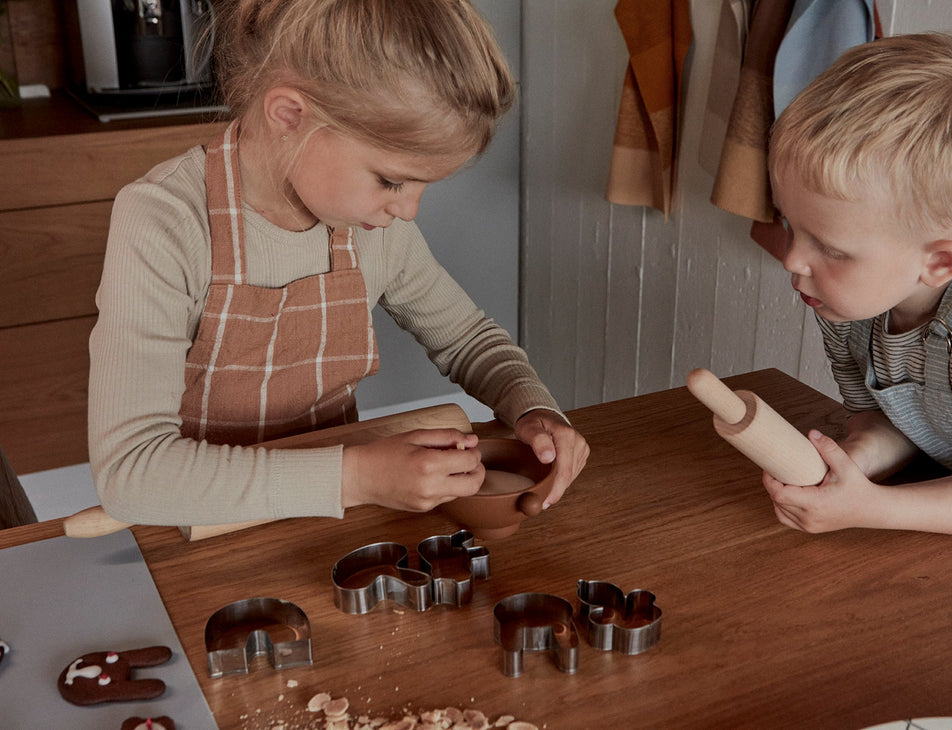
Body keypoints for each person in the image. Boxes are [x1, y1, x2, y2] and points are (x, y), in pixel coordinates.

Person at [88, 0, 589, 527]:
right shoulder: (165, 221)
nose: (407, 210)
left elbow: (467, 339)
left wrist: (534, 409)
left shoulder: (372, 229)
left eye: (423, 185)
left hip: (332, 524)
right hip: (201, 530)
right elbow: (131, 473)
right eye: (392, 181)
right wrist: (357, 478)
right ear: (290, 116)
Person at [754, 32, 952, 537]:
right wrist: (855, 465)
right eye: (790, 225)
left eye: (832, 249)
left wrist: (869, 509)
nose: (793, 259)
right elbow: (892, 421)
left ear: (939, 264)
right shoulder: (850, 302)